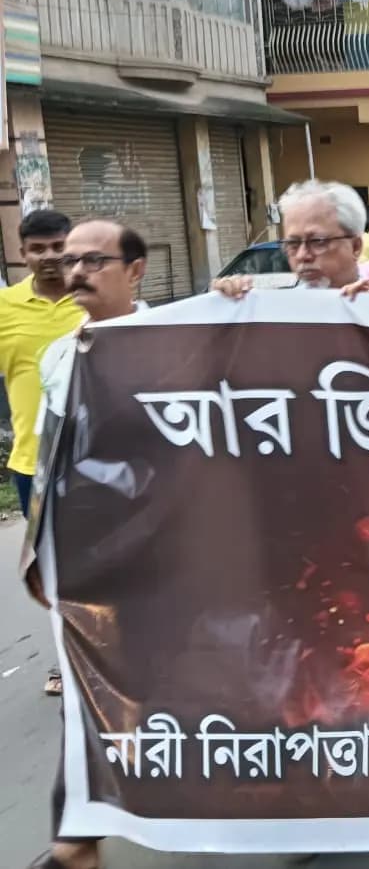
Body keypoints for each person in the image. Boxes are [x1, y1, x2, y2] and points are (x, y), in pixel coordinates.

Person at [24, 219, 148, 869]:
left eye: (93, 259)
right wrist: (38, 549)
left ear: (136, 271)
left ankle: (283, 813)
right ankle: (76, 839)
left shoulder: (182, 342)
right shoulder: (59, 355)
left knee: (218, 680)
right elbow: (53, 463)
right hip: (94, 555)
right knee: (90, 684)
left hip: (179, 547)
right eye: (69, 260)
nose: (74, 271)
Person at [0, 210, 82, 520]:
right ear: (23, 255)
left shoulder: (98, 297)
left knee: (104, 561)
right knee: (44, 562)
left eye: (59, 247)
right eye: (37, 249)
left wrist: (222, 297)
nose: (49, 256)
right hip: (34, 463)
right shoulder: (4, 306)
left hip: (97, 457)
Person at [213, 180, 369, 299]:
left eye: (318, 241)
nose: (303, 255)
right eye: (293, 244)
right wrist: (226, 305)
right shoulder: (277, 313)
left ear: (355, 246)